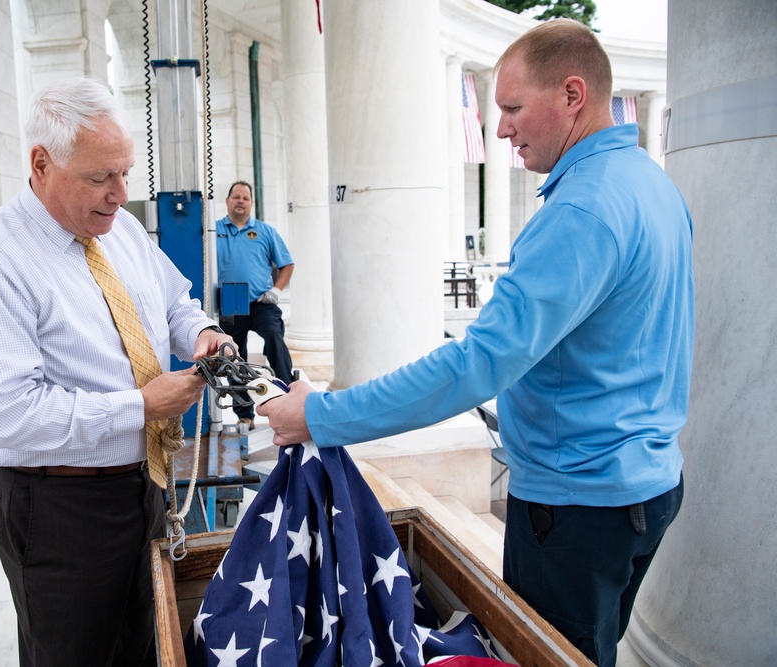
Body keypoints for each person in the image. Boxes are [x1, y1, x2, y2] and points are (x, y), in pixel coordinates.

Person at [259, 19, 691, 667]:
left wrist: (320, 415)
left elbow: (474, 365)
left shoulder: (579, 212)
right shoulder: (651, 184)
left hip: (577, 504)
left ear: (573, 95)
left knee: (550, 656)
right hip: (644, 489)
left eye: (514, 108)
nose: (502, 129)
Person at [0, 77, 232, 667]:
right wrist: (142, 406)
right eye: (100, 178)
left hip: (141, 486)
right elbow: (10, 419)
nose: (120, 194)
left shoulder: (117, 227)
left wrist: (201, 335)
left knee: (145, 645)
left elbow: (173, 300)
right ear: (41, 164)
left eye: (124, 173)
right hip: (61, 510)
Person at [216, 181, 295, 430]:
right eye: (236, 197)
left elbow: (287, 264)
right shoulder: (213, 230)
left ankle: (287, 397)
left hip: (262, 301)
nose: (240, 201)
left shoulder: (265, 232)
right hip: (231, 301)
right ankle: (244, 413)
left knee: (274, 337)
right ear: (228, 200)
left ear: (251, 203)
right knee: (233, 356)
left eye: (245, 198)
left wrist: (276, 290)